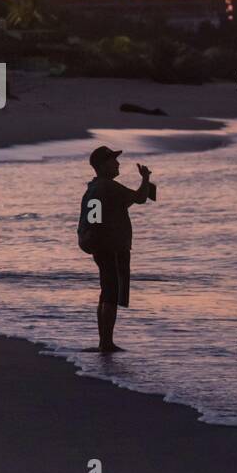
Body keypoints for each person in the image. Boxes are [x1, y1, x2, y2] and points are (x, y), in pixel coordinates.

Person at [79, 145, 154, 353]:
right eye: (113, 160)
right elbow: (139, 198)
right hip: (111, 246)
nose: (117, 163)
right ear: (103, 165)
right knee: (111, 292)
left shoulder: (95, 187)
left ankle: (104, 341)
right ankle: (106, 343)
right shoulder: (108, 187)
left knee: (106, 291)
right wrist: (146, 178)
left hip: (100, 245)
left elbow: (99, 215)